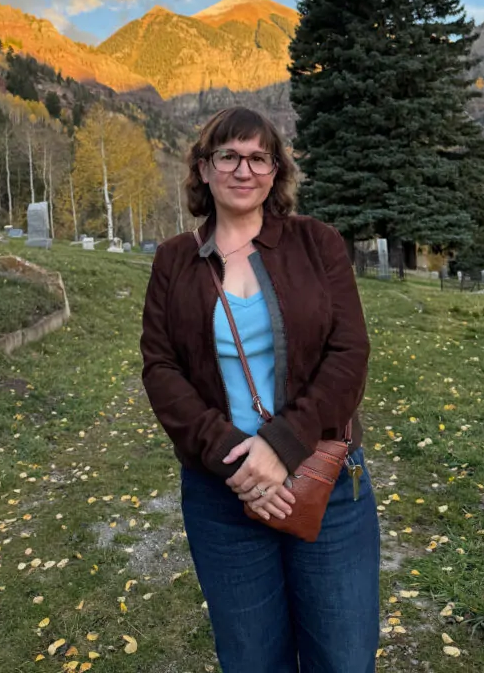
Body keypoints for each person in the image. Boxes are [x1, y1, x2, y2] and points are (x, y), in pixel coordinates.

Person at [141, 107, 379, 673]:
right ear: (203, 168)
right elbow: (161, 368)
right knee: (251, 660)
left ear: (276, 171)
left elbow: (350, 355)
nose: (243, 170)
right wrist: (238, 466)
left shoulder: (317, 244)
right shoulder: (175, 260)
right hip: (222, 494)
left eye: (258, 157)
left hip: (325, 481)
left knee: (343, 658)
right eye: (228, 155)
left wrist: (280, 446)